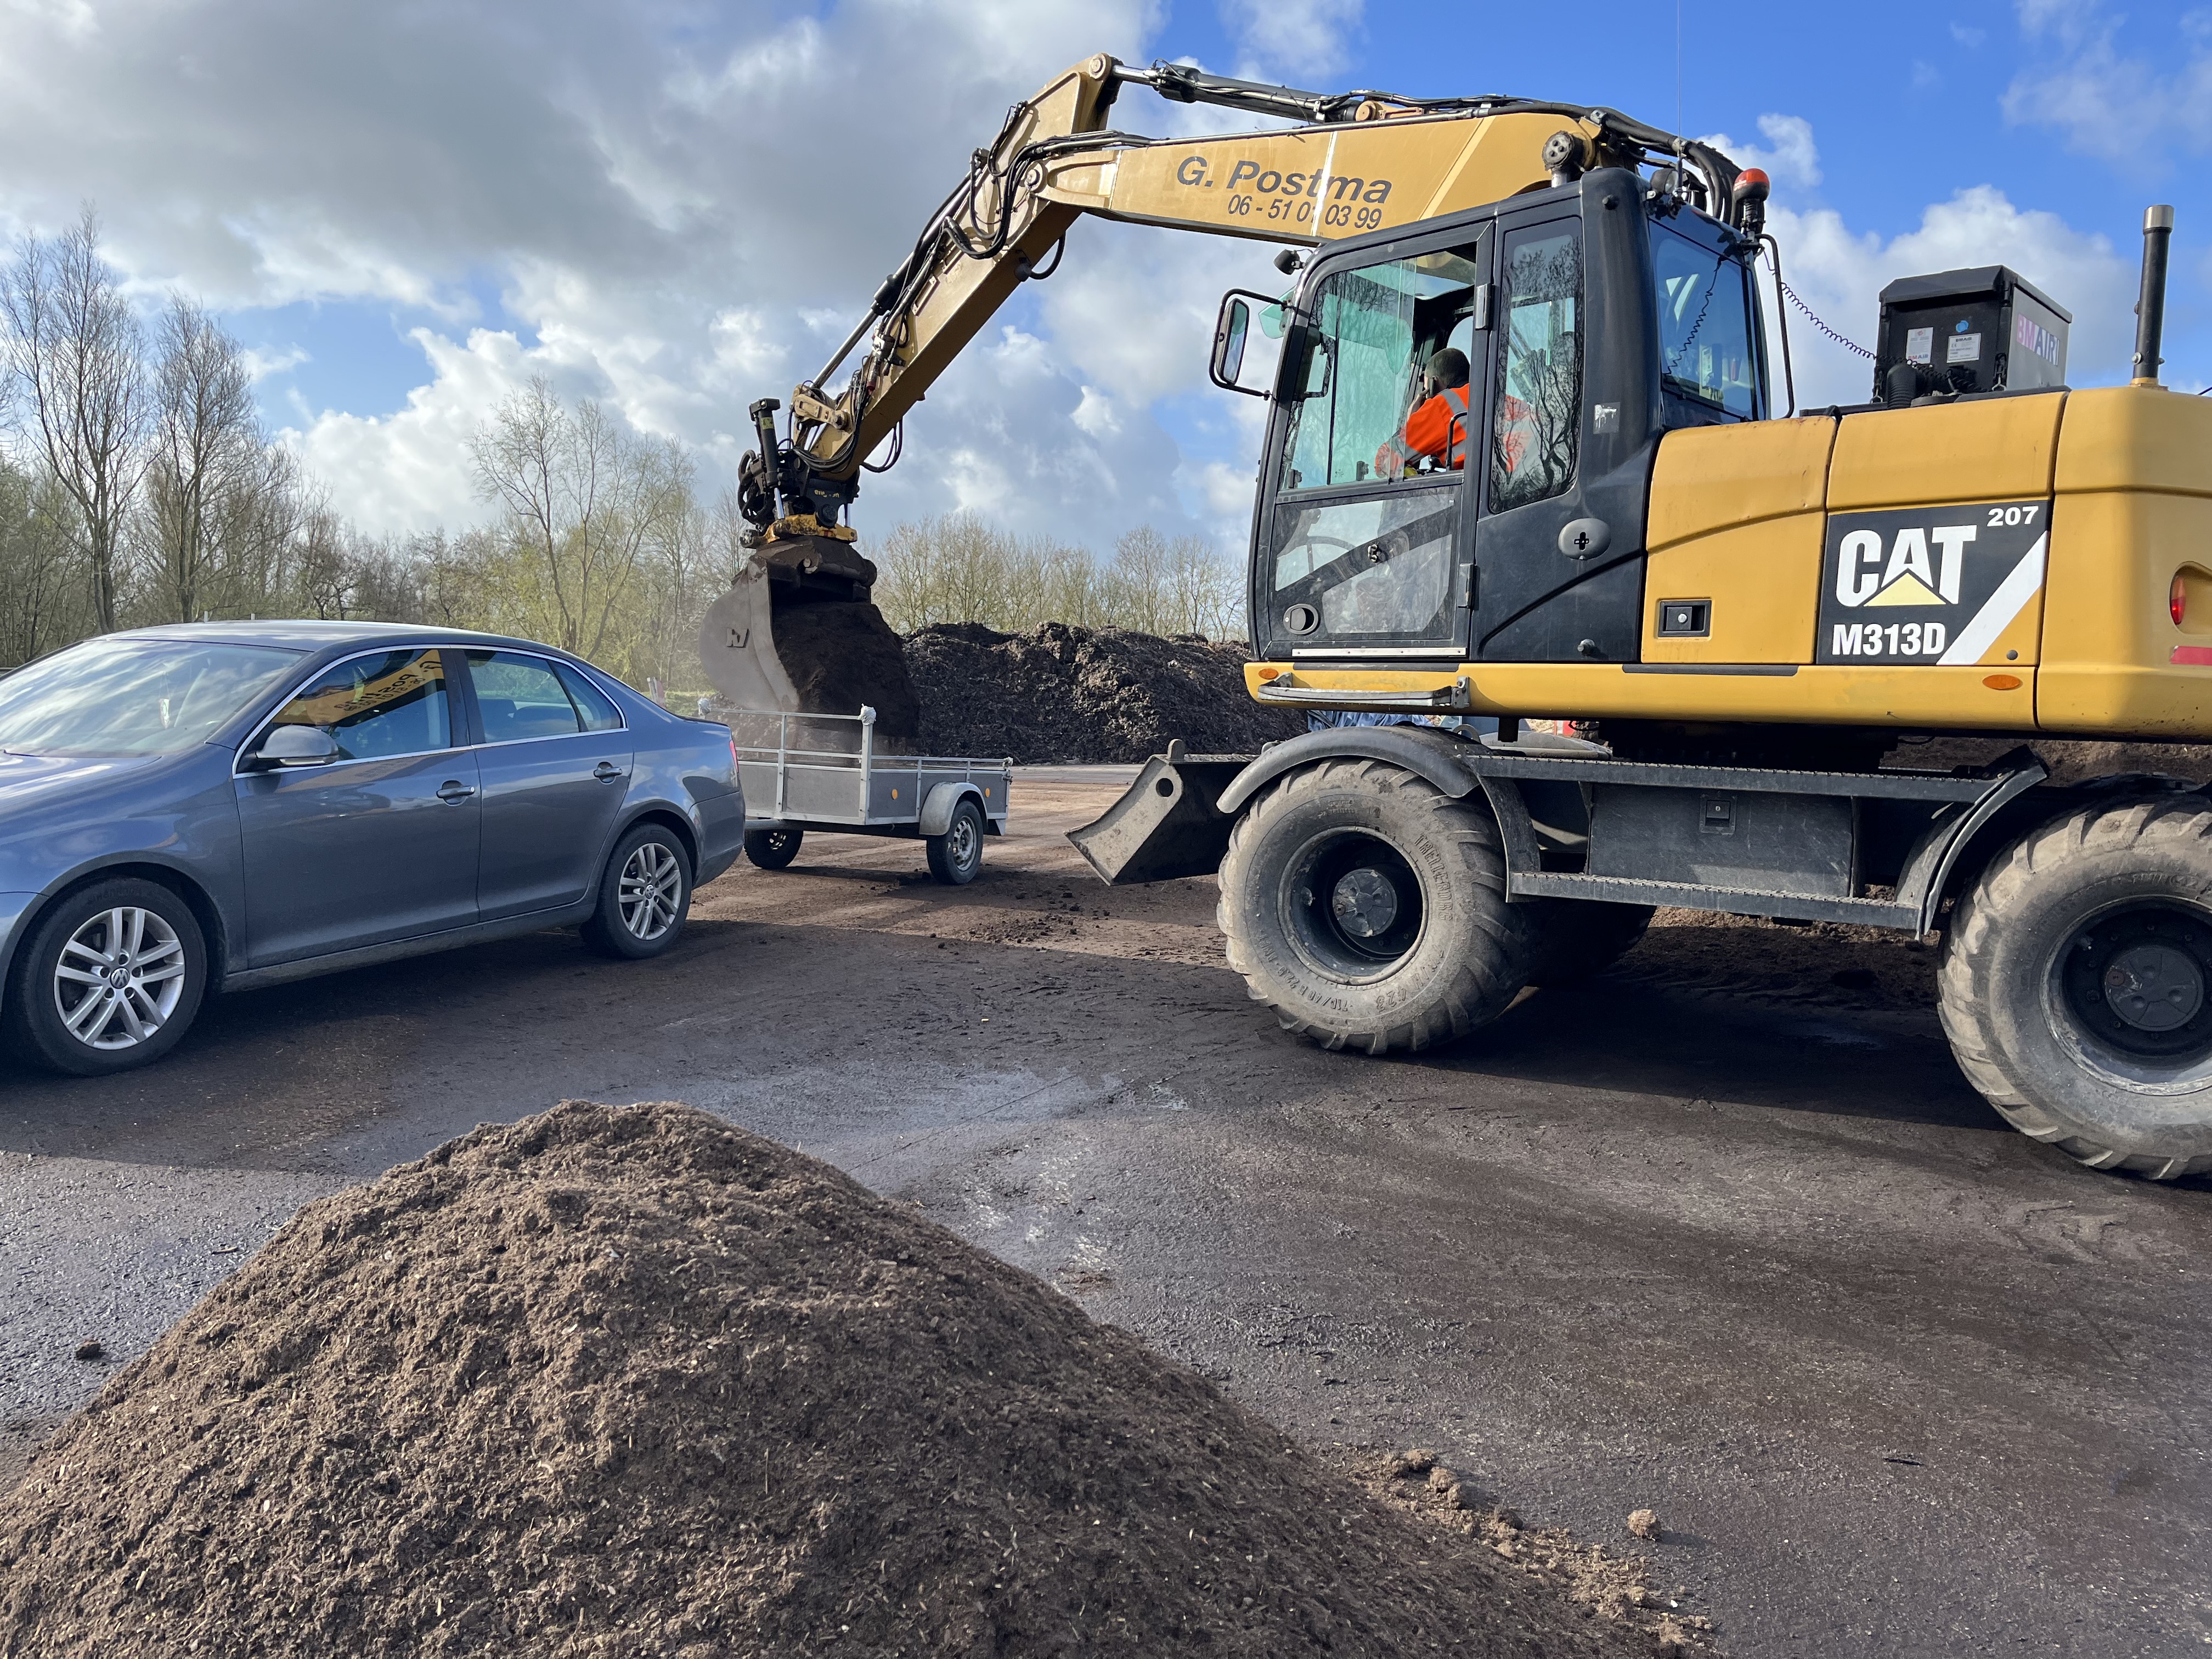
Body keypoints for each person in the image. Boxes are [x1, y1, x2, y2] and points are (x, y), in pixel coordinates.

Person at [1375, 347, 1474, 479]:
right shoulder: (1495, 397)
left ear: (1434, 382)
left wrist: (1411, 420)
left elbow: (1384, 462)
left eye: (1427, 389)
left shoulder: (1442, 404)